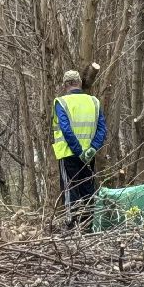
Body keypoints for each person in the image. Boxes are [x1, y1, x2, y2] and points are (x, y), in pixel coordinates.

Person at [52, 69, 107, 227]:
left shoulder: (61, 103)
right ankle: (90, 224)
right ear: (80, 83)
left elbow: (66, 129)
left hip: (68, 153)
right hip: (89, 155)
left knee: (70, 190)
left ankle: (72, 227)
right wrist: (92, 148)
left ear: (65, 85)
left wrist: (78, 151)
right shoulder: (94, 102)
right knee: (87, 190)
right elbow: (102, 129)